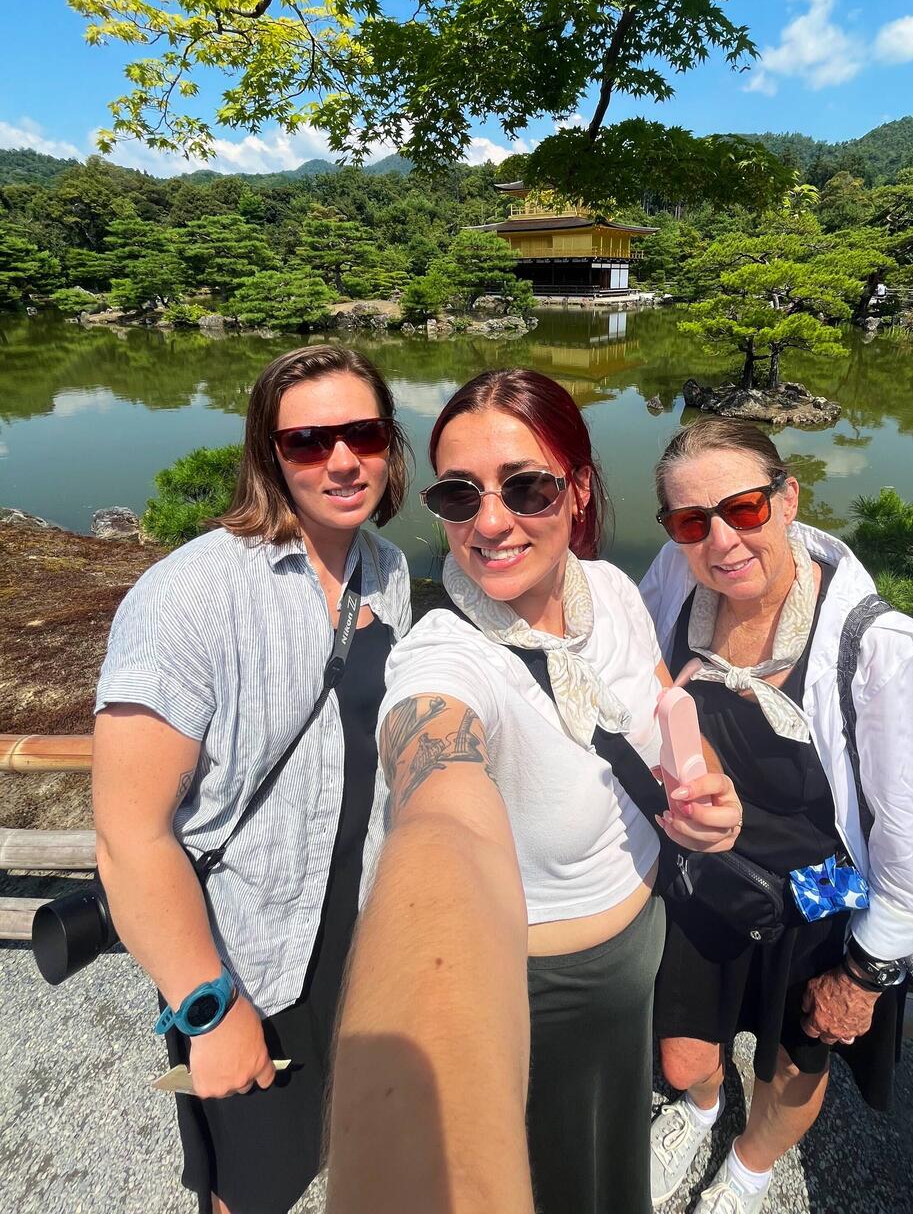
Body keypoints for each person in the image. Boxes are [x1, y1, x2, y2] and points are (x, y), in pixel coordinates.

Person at [343, 368, 742, 1214]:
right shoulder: (445, 656)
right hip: (533, 992)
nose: (490, 522)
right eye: (459, 495)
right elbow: (437, 803)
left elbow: (662, 700)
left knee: (605, 1164)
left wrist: (706, 784)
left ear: (580, 487)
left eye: (526, 486)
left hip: (640, 944)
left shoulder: (612, 592)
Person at [93, 344, 412, 1214]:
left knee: (342, 1133)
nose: (343, 460)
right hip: (248, 950)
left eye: (363, 433)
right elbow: (130, 835)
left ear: (390, 443)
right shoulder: (190, 596)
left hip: (356, 928)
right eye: (309, 442)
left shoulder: (385, 567)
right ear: (270, 456)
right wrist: (207, 1004)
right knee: (253, 1178)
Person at [640, 418, 913, 1214]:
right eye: (691, 522)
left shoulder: (882, 648)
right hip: (704, 882)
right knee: (683, 1054)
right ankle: (700, 1110)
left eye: (742, 508)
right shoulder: (677, 585)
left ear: (787, 499)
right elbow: (629, 671)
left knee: (792, 1065)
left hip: (816, 906)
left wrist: (864, 975)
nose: (719, 541)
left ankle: (749, 1169)